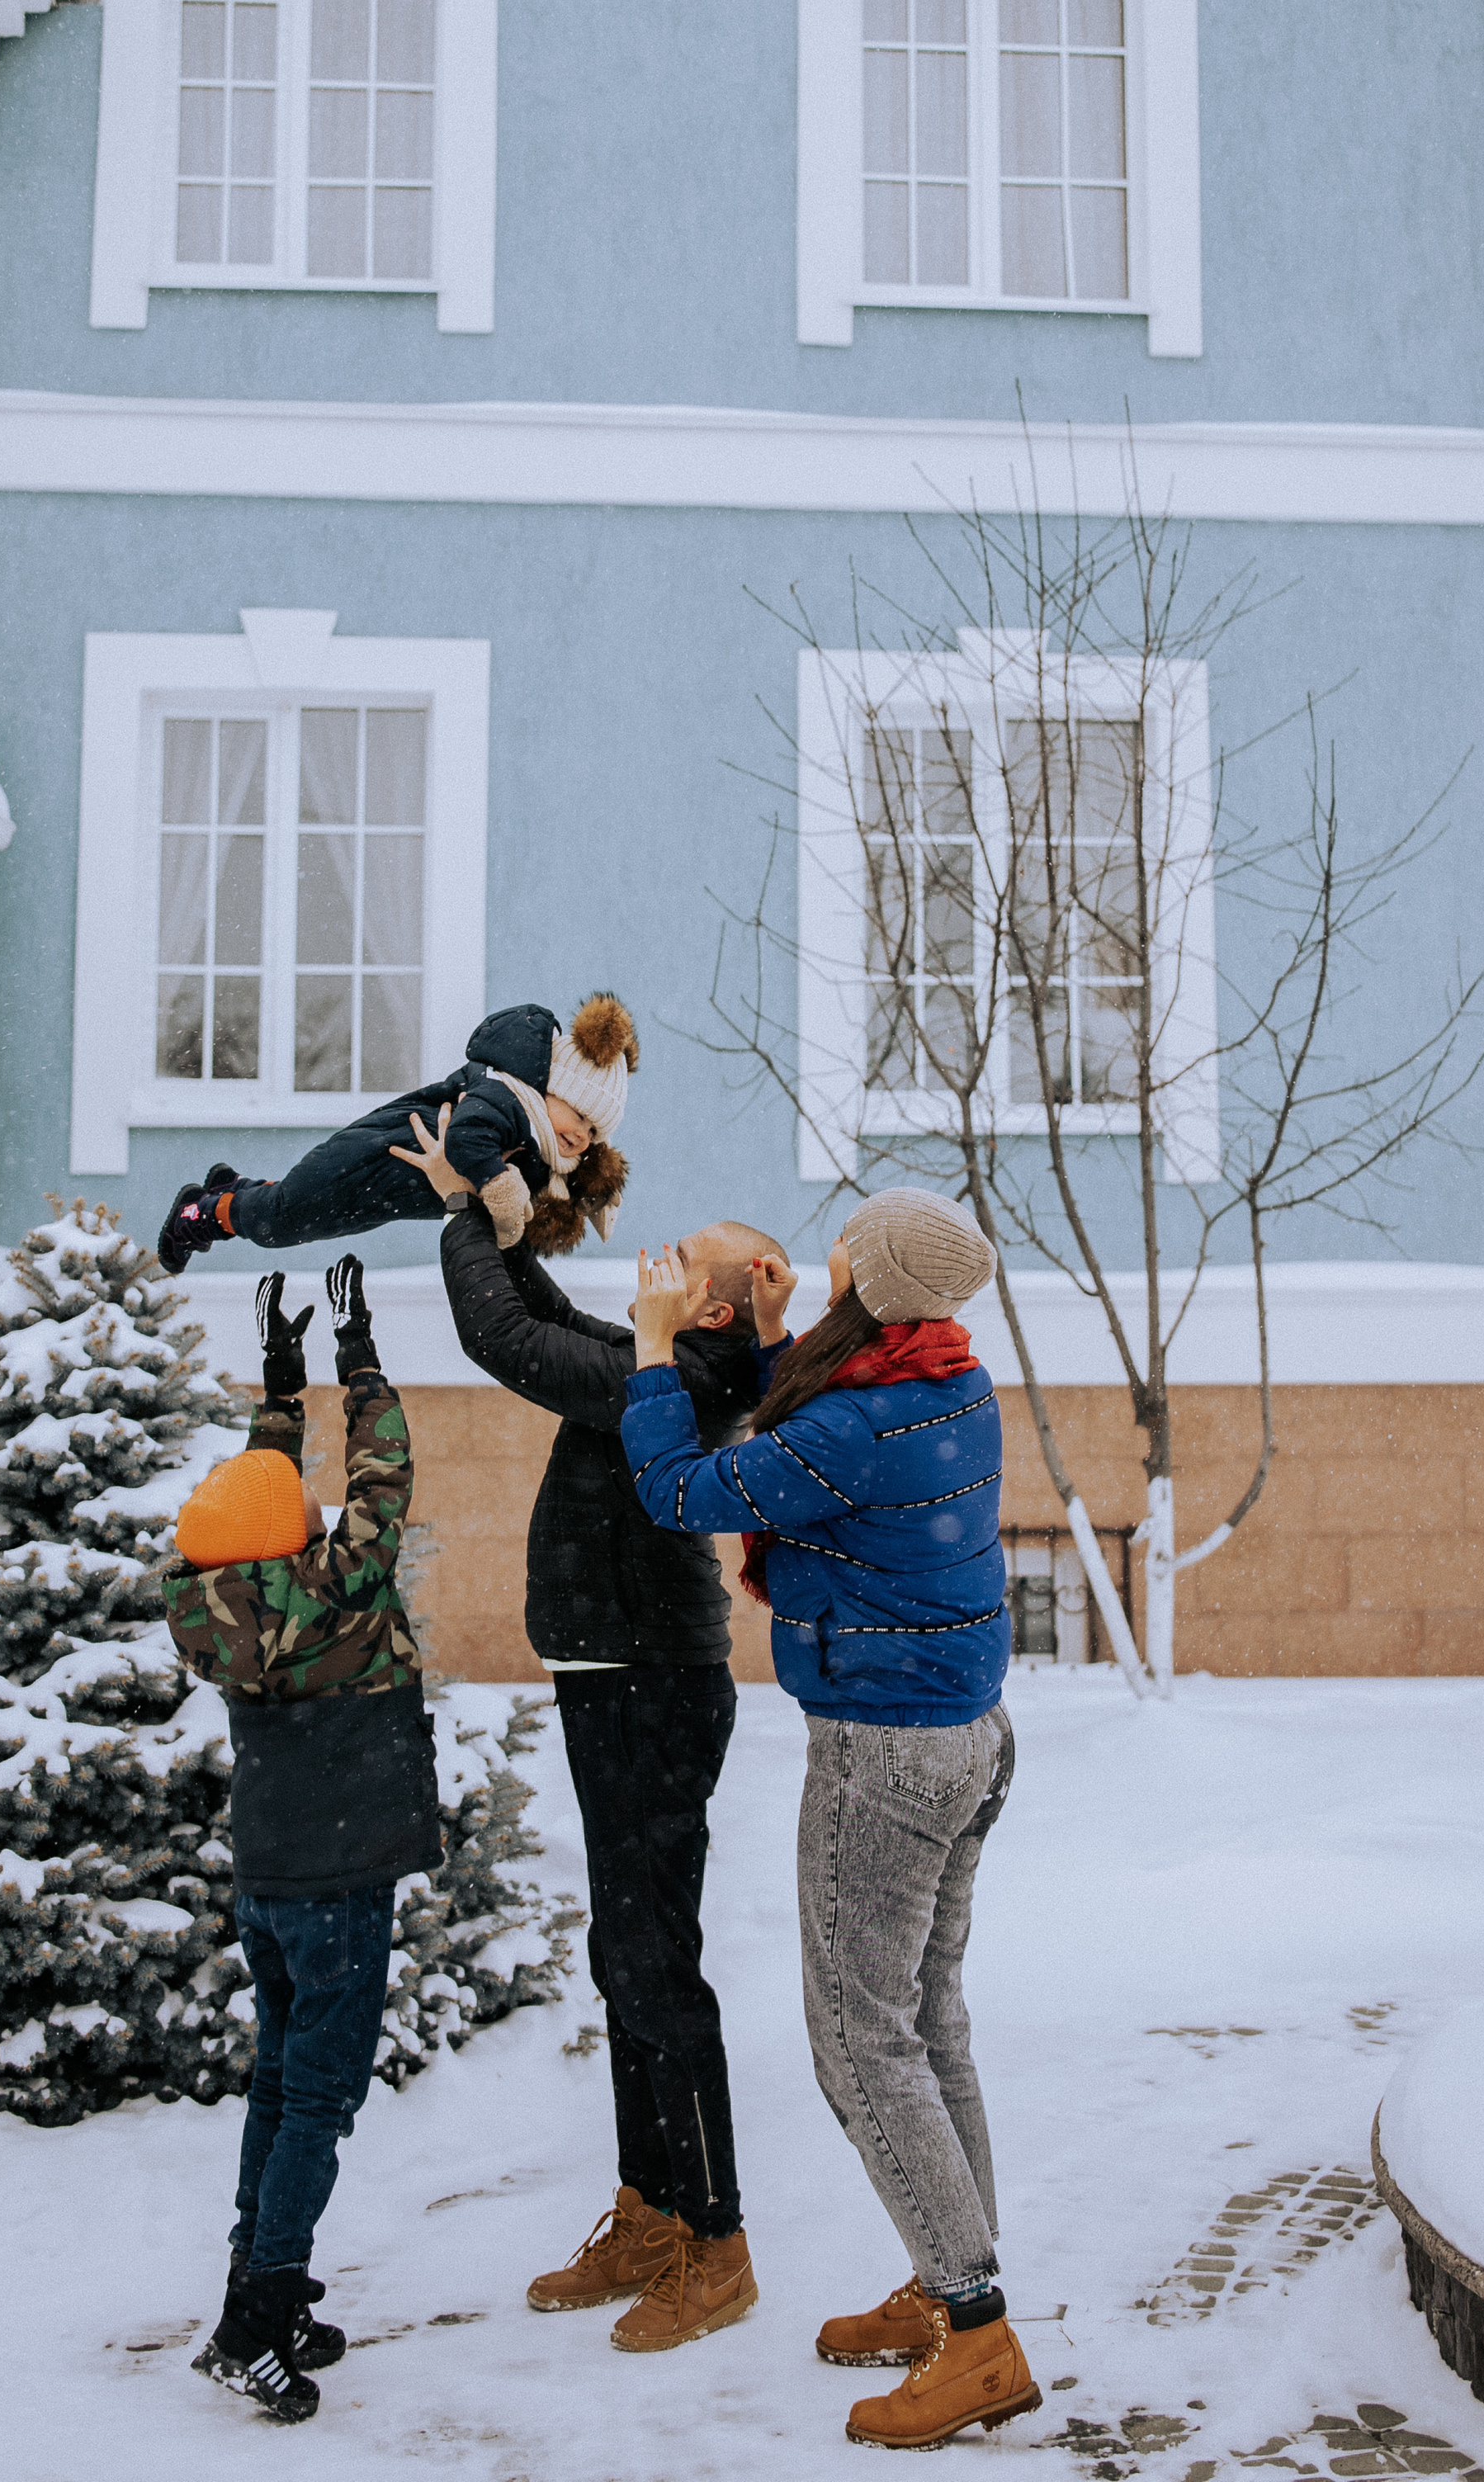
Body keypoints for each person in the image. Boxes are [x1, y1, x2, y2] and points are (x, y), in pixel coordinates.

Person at [619, 1189, 1037, 2451]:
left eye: (847, 1247)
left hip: (886, 1757)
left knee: (859, 2045)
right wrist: (772, 1338)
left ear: (872, 1279)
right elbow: (815, 1420)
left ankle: (977, 2333)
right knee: (929, 2021)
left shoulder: (860, 1419)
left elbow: (691, 1490)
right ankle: (949, 2279)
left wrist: (654, 1352)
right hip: (968, 1737)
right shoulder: (945, 1379)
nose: (829, 1251)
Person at [390, 1097, 769, 2353]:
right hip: (618, 1677)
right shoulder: (668, 1358)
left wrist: (457, 1215)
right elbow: (542, 1315)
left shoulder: (687, 1372)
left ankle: (715, 2242)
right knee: (626, 1955)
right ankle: (652, 2209)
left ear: (713, 1309)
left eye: (676, 1260)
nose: (651, 1263)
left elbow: (510, 1347)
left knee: (658, 1963)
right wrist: (499, 1222)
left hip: (653, 1688)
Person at [162, 1258, 442, 2425]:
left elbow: (261, 1493)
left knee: (278, 2090)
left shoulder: (213, 1599)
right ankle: (255, 2318)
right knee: (318, 2098)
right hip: (341, 1878)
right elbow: (388, 1471)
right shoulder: (342, 1583)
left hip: (273, 1872)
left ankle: (257, 2282)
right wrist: (356, 1355)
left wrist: (279, 1387)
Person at [156, 992, 639, 1272]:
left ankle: (232, 1189)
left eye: (596, 1129)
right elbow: (468, 1139)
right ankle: (201, 1212)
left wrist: (593, 1185)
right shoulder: (506, 1097)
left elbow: (547, 1178)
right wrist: (500, 1184)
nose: (582, 1134)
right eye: (578, 1113)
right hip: (368, 1158)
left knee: (297, 1215)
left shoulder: (538, 1137)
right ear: (550, 1088)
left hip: (383, 1194)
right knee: (277, 1223)